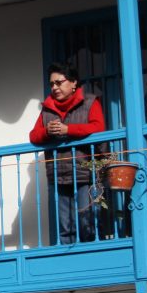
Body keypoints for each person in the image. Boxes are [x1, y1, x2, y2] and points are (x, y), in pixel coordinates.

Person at [29, 62, 106, 244]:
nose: (54, 87)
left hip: (86, 172)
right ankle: (69, 263)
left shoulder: (90, 102)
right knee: (65, 228)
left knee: (88, 224)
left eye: (59, 82)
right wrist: (48, 131)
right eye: (52, 84)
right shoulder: (47, 109)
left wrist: (68, 129)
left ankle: (93, 260)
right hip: (59, 174)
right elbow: (33, 135)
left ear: (73, 83)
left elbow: (98, 128)